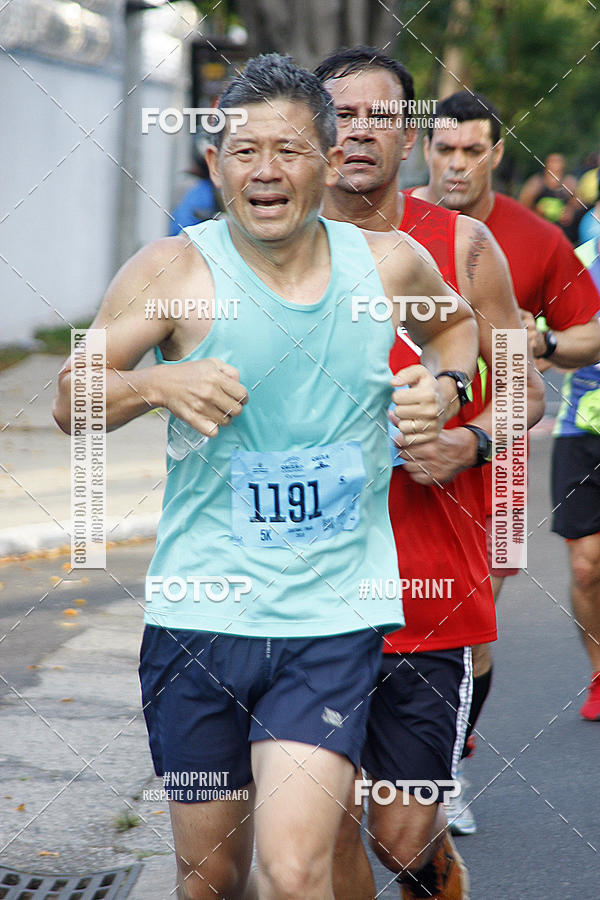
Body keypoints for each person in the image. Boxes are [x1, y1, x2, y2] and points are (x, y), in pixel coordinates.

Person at [53, 54, 478, 900]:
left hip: (332, 616)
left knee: (294, 869)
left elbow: (458, 328)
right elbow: (73, 397)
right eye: (244, 153)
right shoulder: (170, 273)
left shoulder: (387, 267)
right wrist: (153, 382)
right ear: (215, 165)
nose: (266, 171)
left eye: (287, 151)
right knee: (211, 878)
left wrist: (447, 388)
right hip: (199, 618)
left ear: (326, 162)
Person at [315, 46, 545, 899]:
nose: (359, 132)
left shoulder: (463, 244)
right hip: (302, 590)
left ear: (409, 138)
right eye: (340, 113)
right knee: (321, 816)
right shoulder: (266, 246)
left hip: (430, 584)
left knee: (404, 833)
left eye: (381, 116)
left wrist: (471, 441)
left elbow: (524, 387)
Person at [414, 88, 600, 825]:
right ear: (424, 149)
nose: (456, 164)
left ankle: (449, 765)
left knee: (472, 614)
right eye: (444, 148)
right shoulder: (386, 228)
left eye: (471, 150)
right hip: (401, 451)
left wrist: (542, 342)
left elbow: (590, 333)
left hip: (501, 456)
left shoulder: (536, 239)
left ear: (495, 153)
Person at [551, 234, 600, 721]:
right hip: (580, 431)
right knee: (586, 567)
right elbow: (544, 346)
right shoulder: (579, 263)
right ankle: (599, 673)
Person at [518, 152, 581, 243]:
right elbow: (522, 207)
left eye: (558, 163)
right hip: (540, 231)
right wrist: (537, 212)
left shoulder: (569, 183)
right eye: (553, 162)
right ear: (546, 165)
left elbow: (578, 205)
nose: (556, 166)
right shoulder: (536, 183)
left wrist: (570, 211)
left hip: (562, 233)